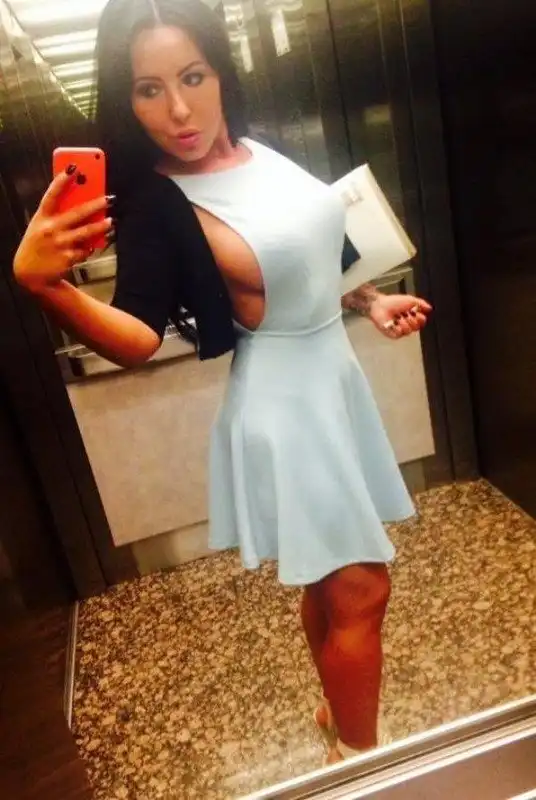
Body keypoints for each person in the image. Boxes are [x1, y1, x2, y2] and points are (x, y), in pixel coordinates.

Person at [13, 0, 432, 763]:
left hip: (333, 384)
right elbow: (136, 338)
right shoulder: (158, 202)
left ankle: (335, 717)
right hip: (284, 406)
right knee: (362, 590)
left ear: (220, 72)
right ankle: (362, 763)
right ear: (125, 100)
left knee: (327, 580)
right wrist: (47, 287)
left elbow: (307, 253)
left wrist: (370, 300)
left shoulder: (261, 149)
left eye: (193, 77)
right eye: (148, 90)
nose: (178, 110)